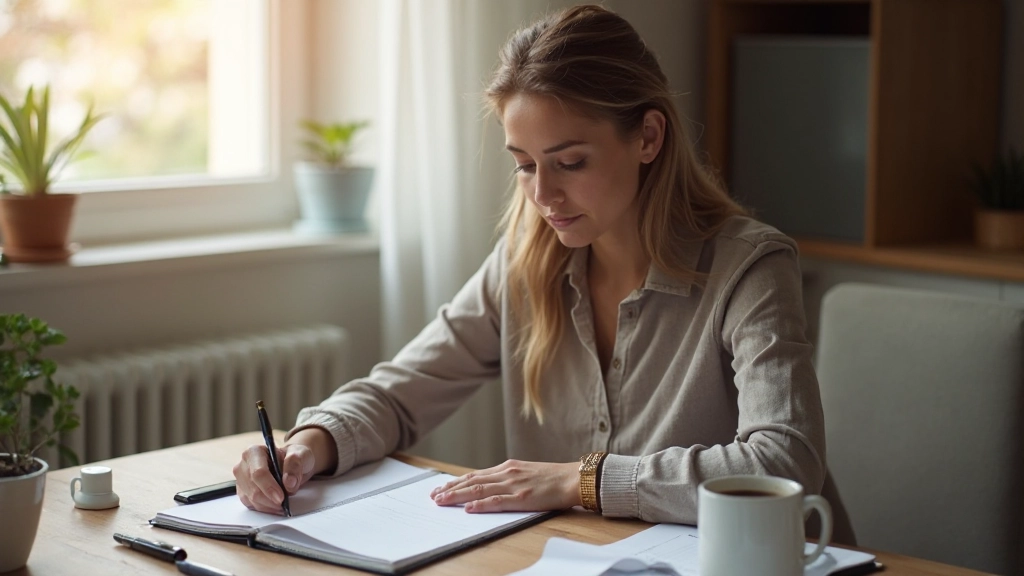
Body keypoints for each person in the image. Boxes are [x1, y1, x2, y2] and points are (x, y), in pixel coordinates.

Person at [233, 4, 825, 525]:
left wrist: (578, 480)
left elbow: (783, 460)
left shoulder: (749, 267)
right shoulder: (524, 261)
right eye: (524, 164)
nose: (542, 196)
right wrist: (308, 445)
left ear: (648, 137)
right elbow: (399, 394)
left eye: (569, 162)